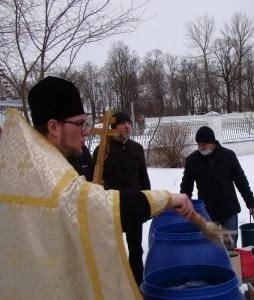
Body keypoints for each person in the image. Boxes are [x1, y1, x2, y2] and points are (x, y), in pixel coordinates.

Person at [0, 76, 194, 299]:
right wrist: (167, 198)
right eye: (80, 123)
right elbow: (95, 205)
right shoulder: (46, 170)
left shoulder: (22, 160)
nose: (86, 130)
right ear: (54, 126)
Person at [93, 112, 150, 287]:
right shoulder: (103, 149)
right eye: (122, 123)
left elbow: (143, 177)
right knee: (113, 249)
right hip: (112, 207)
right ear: (113, 128)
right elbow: (95, 178)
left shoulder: (136, 148)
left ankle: (137, 286)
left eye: (129, 123)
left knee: (136, 249)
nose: (127, 126)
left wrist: (146, 200)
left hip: (132, 206)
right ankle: (115, 287)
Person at [180, 125, 254, 248]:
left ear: (212, 143)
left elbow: (241, 181)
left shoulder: (228, 156)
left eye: (203, 145)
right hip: (207, 212)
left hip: (229, 209)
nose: (200, 148)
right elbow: (186, 186)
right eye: (198, 144)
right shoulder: (193, 160)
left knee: (230, 247)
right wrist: (183, 205)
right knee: (210, 248)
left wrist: (250, 202)